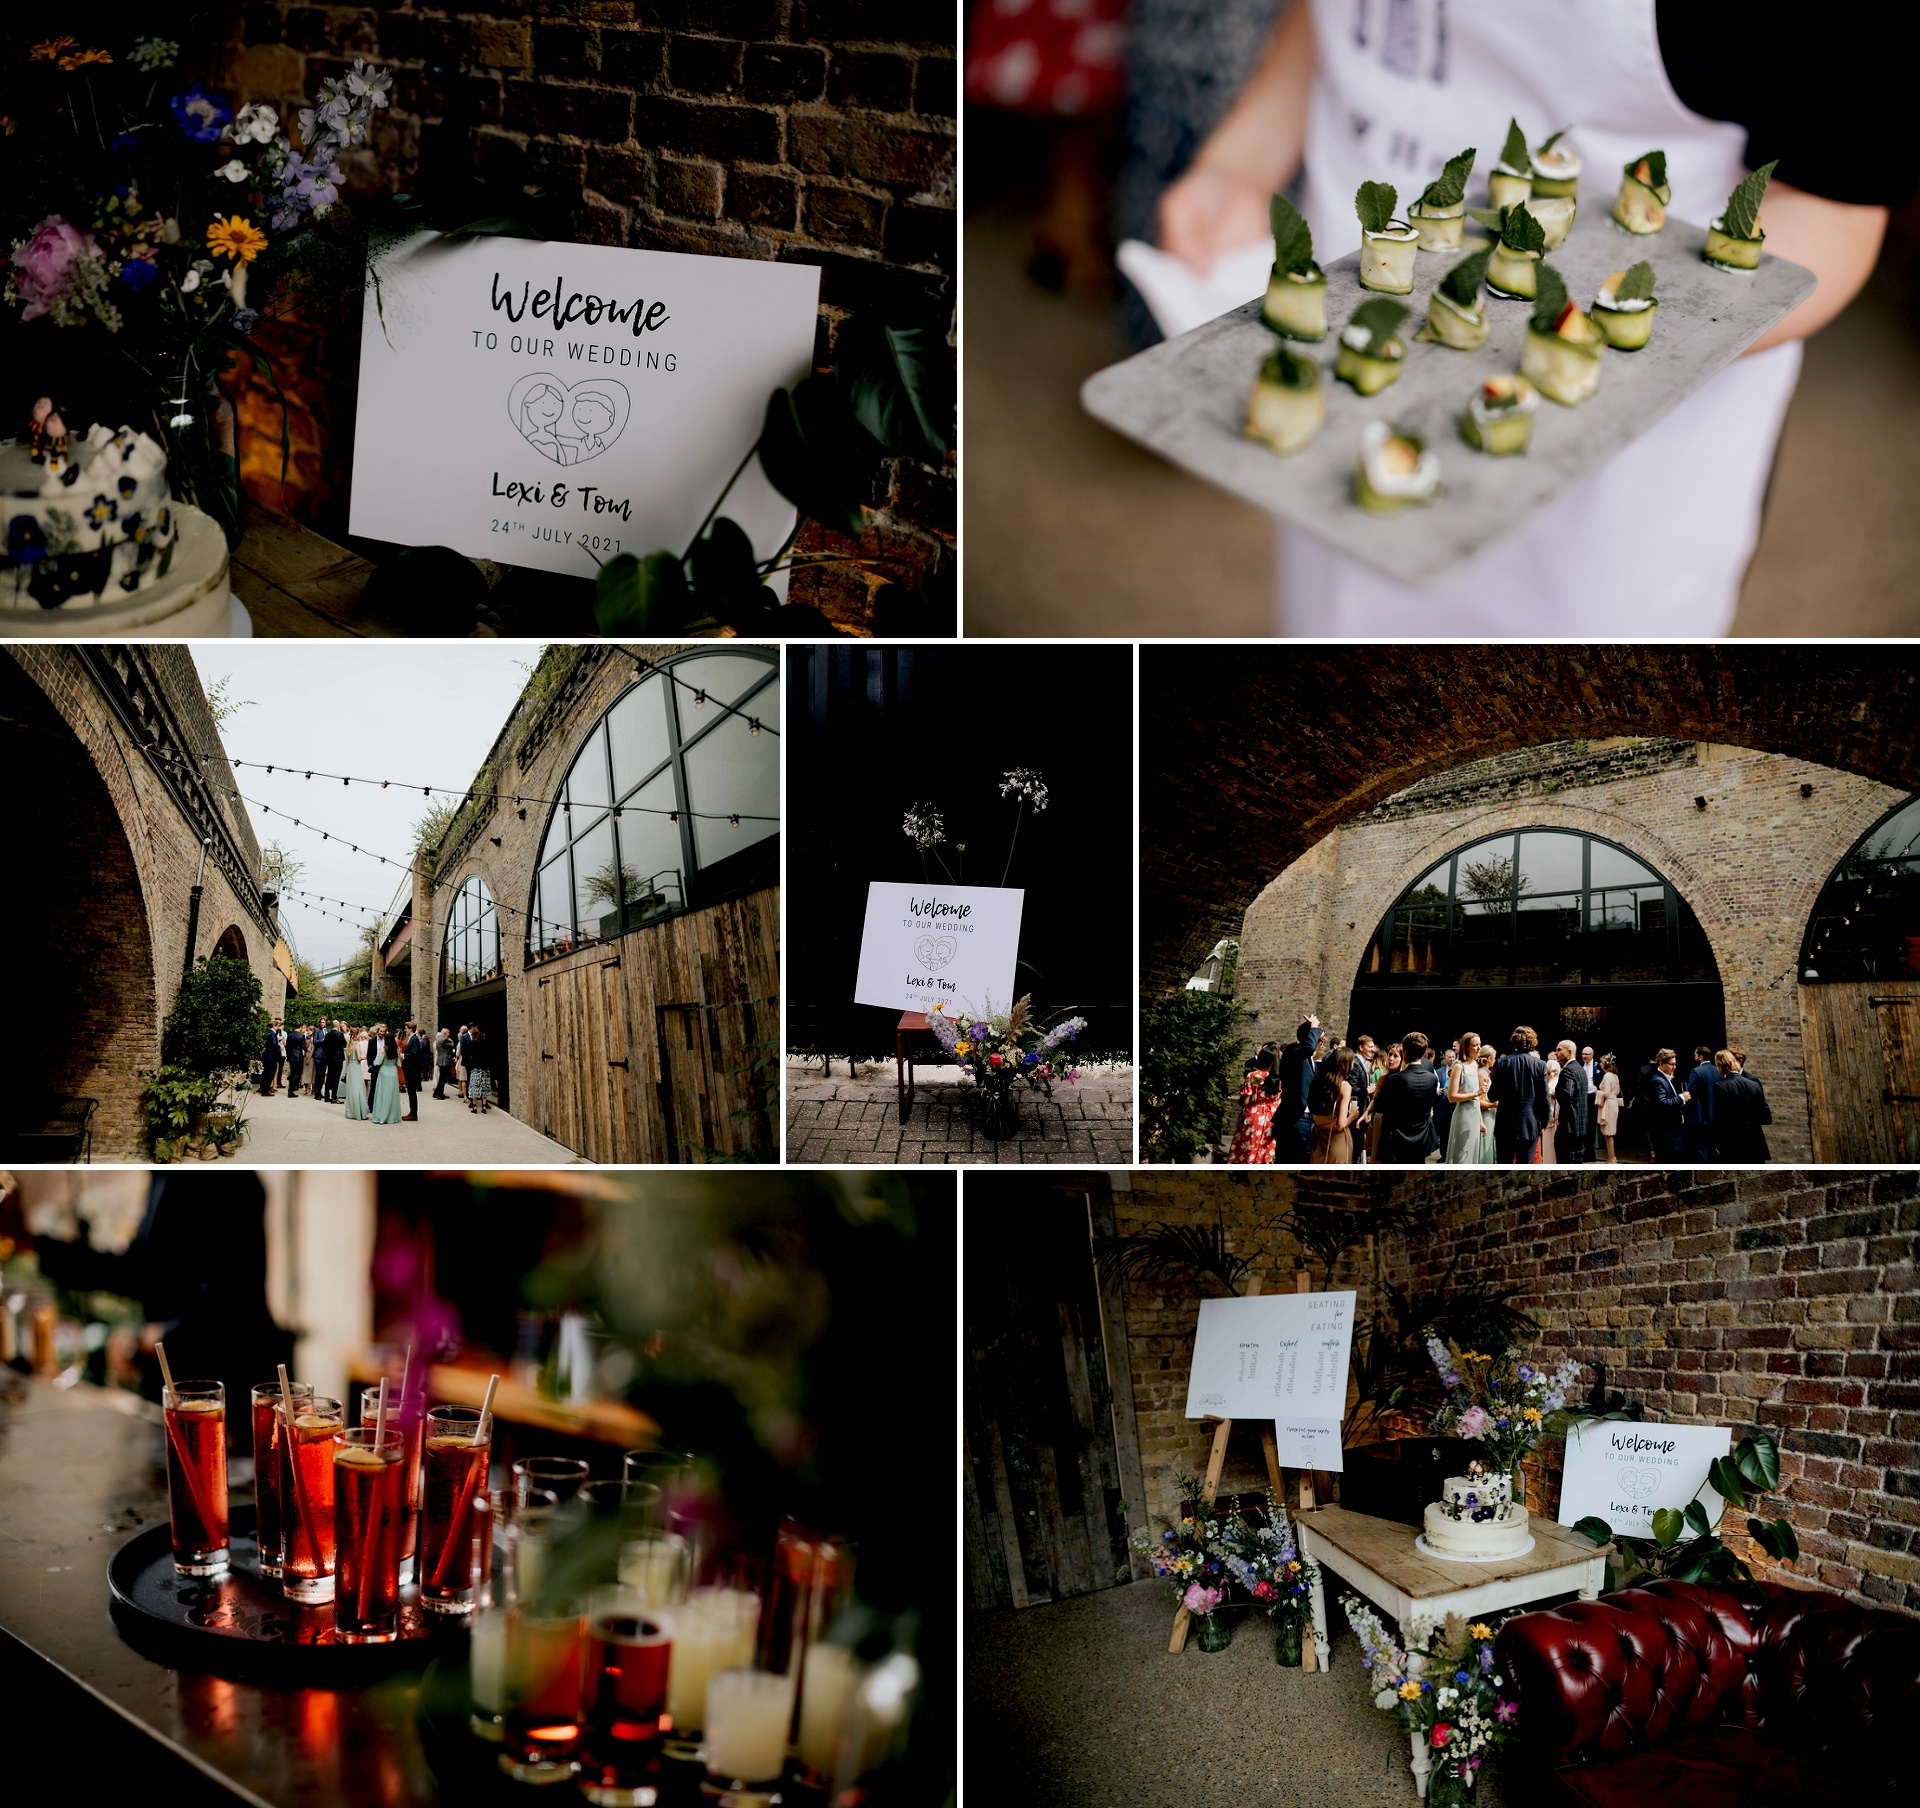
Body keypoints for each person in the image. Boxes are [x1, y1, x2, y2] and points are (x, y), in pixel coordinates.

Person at [1156, 1, 1904, 637]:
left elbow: (1834, 203)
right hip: (1355, 341)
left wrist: (1587, 344)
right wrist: (1246, 158)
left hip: (1617, 458)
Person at [29, 1172, 296, 1439]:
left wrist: (158, 1335)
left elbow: (233, 1295)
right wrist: (38, 1247)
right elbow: (146, 1270)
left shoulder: (223, 1179)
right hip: (182, 1374)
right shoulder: (166, 1176)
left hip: (226, 1371)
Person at [1372, 1030, 1441, 1163]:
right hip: (1421, 1140)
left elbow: (1379, 1107)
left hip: (1396, 1142)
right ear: (1423, 1053)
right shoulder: (1432, 1079)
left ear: (1404, 1052)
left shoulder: (1394, 1079)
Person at [1490, 1026, 1551, 1165]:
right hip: (1530, 1123)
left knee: (1503, 1167)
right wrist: (1544, 1121)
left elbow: (1492, 1095)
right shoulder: (1540, 1065)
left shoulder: (1502, 1063)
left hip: (1505, 1123)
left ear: (1514, 1042)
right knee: (1525, 1169)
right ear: (1533, 1043)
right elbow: (1544, 1097)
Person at [1715, 1049, 1773, 1161]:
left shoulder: (1720, 1086)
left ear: (1719, 1066)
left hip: (1733, 1146)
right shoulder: (1754, 1084)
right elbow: (1766, 1117)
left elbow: (1720, 1120)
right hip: (1756, 1144)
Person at [1308, 1035, 1359, 1163]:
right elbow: (1341, 1124)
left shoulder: (1317, 1082)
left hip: (1318, 1138)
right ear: (1346, 1064)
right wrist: (1352, 1116)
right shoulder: (1344, 1087)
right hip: (1336, 1140)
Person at [1228, 1044, 1282, 1164]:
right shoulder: (1280, 1079)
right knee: (1267, 1151)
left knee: (1248, 1149)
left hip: (1254, 1115)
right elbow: (1280, 1099)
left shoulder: (1253, 1076)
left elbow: (1245, 1101)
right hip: (1272, 1117)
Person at [1444, 1032, 1487, 1164]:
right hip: (1463, 1116)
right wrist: (1476, 1093)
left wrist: (1480, 1121)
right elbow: (1451, 1097)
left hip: (1474, 1117)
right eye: (1475, 1045)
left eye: (1480, 1044)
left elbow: (1476, 1101)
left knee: (1472, 1154)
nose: (1479, 1048)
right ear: (1466, 1047)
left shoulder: (1475, 1065)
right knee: (1461, 1155)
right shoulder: (1458, 1067)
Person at [1553, 1040, 1593, 1168]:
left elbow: (1567, 1095)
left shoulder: (1568, 1071)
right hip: (1580, 1127)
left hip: (1568, 1128)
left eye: (1559, 1050)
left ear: (1569, 1052)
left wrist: (1556, 1094)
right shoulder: (1581, 1070)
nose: (1556, 1053)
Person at [1648, 1048, 1690, 1160]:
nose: (1674, 1067)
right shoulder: (1658, 1080)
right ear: (1661, 1064)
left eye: (1675, 1064)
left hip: (1671, 1130)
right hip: (1666, 1132)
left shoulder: (1665, 1078)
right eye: (1672, 1064)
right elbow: (1663, 1103)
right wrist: (1681, 1098)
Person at [1683, 1045, 1720, 1162]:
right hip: (1716, 1115)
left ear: (1700, 1057)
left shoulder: (1696, 1071)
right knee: (1714, 1147)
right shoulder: (1718, 1071)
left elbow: (1688, 1091)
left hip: (1701, 1116)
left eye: (1695, 1055)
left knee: (1701, 1148)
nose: (1694, 1057)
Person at [371, 1030, 405, 1125]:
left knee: (382, 1095)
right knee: (392, 1095)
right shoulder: (397, 1050)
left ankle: (381, 1116)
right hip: (393, 1072)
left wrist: (376, 1060)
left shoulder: (383, 1050)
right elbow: (398, 1063)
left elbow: (377, 1062)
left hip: (384, 1072)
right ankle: (392, 1116)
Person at [1473, 1044, 1498, 1165]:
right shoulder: (1480, 1074)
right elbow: (1478, 1101)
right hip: (1485, 1115)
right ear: (1488, 1059)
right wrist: (1496, 1104)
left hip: (1491, 1114)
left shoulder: (1485, 1073)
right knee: (1485, 1144)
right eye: (1494, 1057)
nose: (1495, 1060)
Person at [1596, 1054, 1623, 1164]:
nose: (1600, 1064)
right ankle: (1611, 1157)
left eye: (1601, 1063)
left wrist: (1596, 1092)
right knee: (1609, 1132)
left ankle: (1612, 1158)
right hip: (1613, 1103)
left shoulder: (1607, 1076)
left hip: (1608, 1104)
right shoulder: (1615, 1076)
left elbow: (1606, 1093)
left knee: (1608, 1133)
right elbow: (1617, 1091)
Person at [343, 1027, 370, 1122]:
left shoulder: (348, 1045)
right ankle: (360, 1112)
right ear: (357, 1034)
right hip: (356, 1067)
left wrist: (346, 1071)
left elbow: (347, 1060)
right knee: (359, 1089)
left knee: (351, 1090)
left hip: (350, 1068)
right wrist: (365, 1057)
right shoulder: (357, 1044)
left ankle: (351, 1112)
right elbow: (359, 1058)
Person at [401, 1023, 427, 1122]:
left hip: (412, 1070)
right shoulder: (412, 1039)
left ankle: (413, 1113)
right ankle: (412, 1112)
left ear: (411, 1029)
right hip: (410, 1069)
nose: (405, 1030)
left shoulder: (414, 1039)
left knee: (411, 1092)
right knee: (411, 1092)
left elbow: (414, 1054)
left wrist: (404, 1055)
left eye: (406, 1028)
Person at [467, 1028, 495, 1114]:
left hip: (476, 1068)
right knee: (485, 1088)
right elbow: (489, 1055)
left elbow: (470, 1056)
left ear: (473, 1035)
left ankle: (475, 1106)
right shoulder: (485, 1043)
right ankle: (484, 1106)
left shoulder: (472, 1044)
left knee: (474, 1087)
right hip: (485, 1068)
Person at [1540, 1049, 1561, 1165]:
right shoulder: (1559, 1082)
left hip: (1550, 1120)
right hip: (1556, 1119)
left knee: (1549, 1148)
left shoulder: (1549, 1086)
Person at [318, 1020, 346, 1104]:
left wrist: (328, 1055)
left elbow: (324, 1046)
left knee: (329, 1077)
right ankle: (334, 1097)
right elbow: (344, 1044)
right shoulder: (340, 1034)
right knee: (336, 1078)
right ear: (338, 1026)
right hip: (338, 1058)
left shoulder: (328, 1035)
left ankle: (327, 1096)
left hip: (330, 1059)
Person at [259, 1020, 283, 1096]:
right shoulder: (272, 1034)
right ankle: (266, 1090)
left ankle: (263, 1087)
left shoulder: (266, 1032)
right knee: (271, 1072)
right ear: (274, 1026)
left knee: (266, 1072)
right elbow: (274, 1044)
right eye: (277, 1026)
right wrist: (279, 1047)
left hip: (266, 1055)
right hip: (271, 1056)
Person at [284, 1022, 308, 1098]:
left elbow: (287, 1046)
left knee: (292, 1073)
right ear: (300, 1027)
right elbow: (303, 1047)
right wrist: (308, 1050)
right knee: (296, 1073)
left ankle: (291, 1089)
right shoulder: (301, 1036)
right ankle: (291, 1090)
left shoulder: (290, 1035)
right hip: (298, 1056)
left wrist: (288, 1055)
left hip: (291, 1055)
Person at [433, 1027, 455, 1100]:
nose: (449, 1035)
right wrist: (450, 1040)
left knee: (442, 1078)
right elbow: (452, 1044)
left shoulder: (439, 1039)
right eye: (448, 1033)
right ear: (445, 1033)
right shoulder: (444, 1039)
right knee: (442, 1078)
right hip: (444, 1061)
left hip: (442, 1060)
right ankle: (437, 1093)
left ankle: (440, 1093)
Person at [458, 1023, 475, 1101]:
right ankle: (469, 1096)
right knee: (466, 1079)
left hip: (474, 1062)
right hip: (467, 1062)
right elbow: (463, 1050)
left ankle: (473, 1096)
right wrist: (466, 1060)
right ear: (472, 1027)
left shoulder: (476, 1036)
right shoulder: (464, 1037)